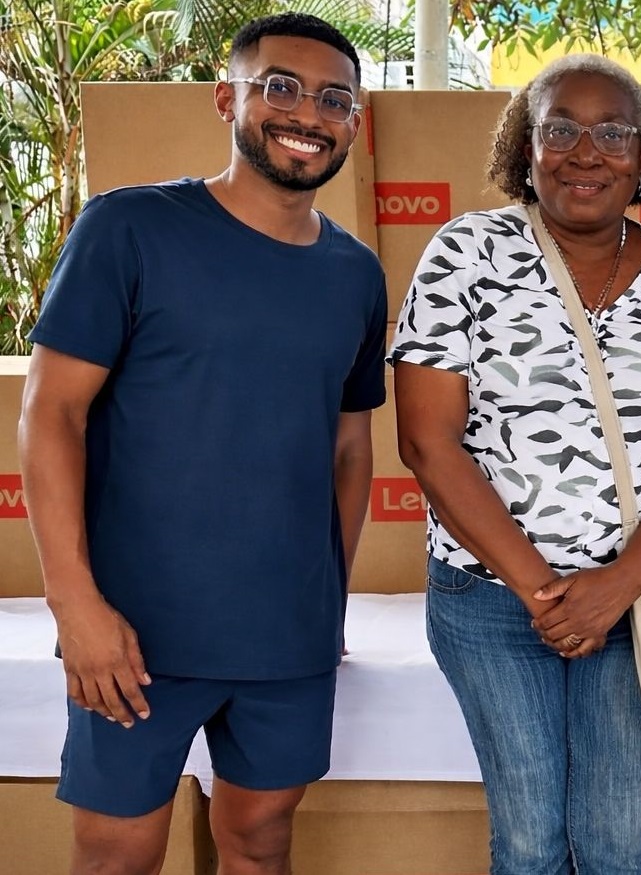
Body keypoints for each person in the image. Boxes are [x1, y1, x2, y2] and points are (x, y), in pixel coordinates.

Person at [17, 12, 384, 875]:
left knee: (260, 841)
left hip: (286, 635)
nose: (307, 112)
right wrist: (76, 607)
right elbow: (50, 414)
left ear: (353, 124)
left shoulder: (357, 273)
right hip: (134, 630)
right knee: (118, 854)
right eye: (279, 87)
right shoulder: (128, 228)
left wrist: (325, 603)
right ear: (229, 98)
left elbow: (349, 449)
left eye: (335, 98)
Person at [389, 54, 641, 874]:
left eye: (613, 132)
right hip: (490, 603)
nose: (587, 152)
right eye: (561, 130)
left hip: (639, 598)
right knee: (529, 843)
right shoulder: (464, 254)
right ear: (526, 148)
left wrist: (612, 587)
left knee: (621, 844)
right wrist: (544, 594)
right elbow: (427, 441)